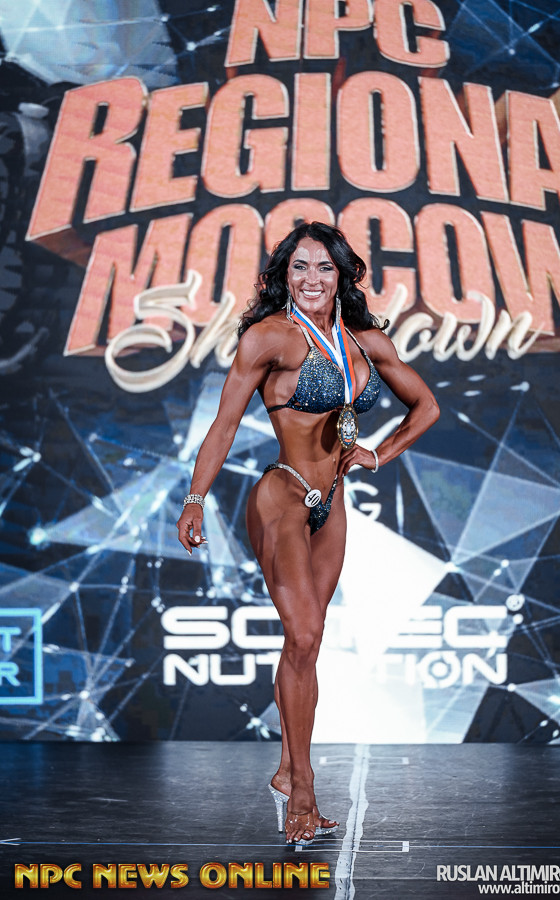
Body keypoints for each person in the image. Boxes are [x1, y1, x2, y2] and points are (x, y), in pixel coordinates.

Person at [177, 222, 439, 845]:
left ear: (341, 275)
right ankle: (303, 789)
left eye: (323, 267)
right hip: (283, 495)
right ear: (284, 277)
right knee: (302, 633)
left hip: (333, 504)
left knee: (306, 646)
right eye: (299, 267)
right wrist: (195, 499)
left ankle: (286, 769)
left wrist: (379, 454)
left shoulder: (366, 342)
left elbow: (426, 407)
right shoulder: (270, 337)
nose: (312, 279)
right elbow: (224, 423)